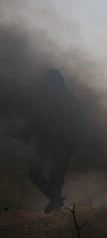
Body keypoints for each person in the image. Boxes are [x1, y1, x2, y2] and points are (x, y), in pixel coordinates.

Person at [28, 69, 76, 213]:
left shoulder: (57, 100)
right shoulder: (64, 99)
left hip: (58, 143)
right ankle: (55, 200)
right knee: (42, 174)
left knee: (52, 176)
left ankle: (56, 205)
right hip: (54, 143)